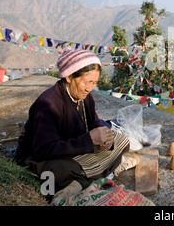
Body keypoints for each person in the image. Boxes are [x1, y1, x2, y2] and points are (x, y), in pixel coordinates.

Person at [15, 48, 137, 195]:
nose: (90, 88)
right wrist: (88, 140)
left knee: (121, 140)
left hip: (74, 149)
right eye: (87, 82)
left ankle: (92, 176)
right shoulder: (48, 105)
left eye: (94, 83)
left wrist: (105, 136)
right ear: (69, 77)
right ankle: (96, 174)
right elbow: (43, 150)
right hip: (43, 158)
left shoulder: (85, 97)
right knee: (64, 171)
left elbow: (94, 123)